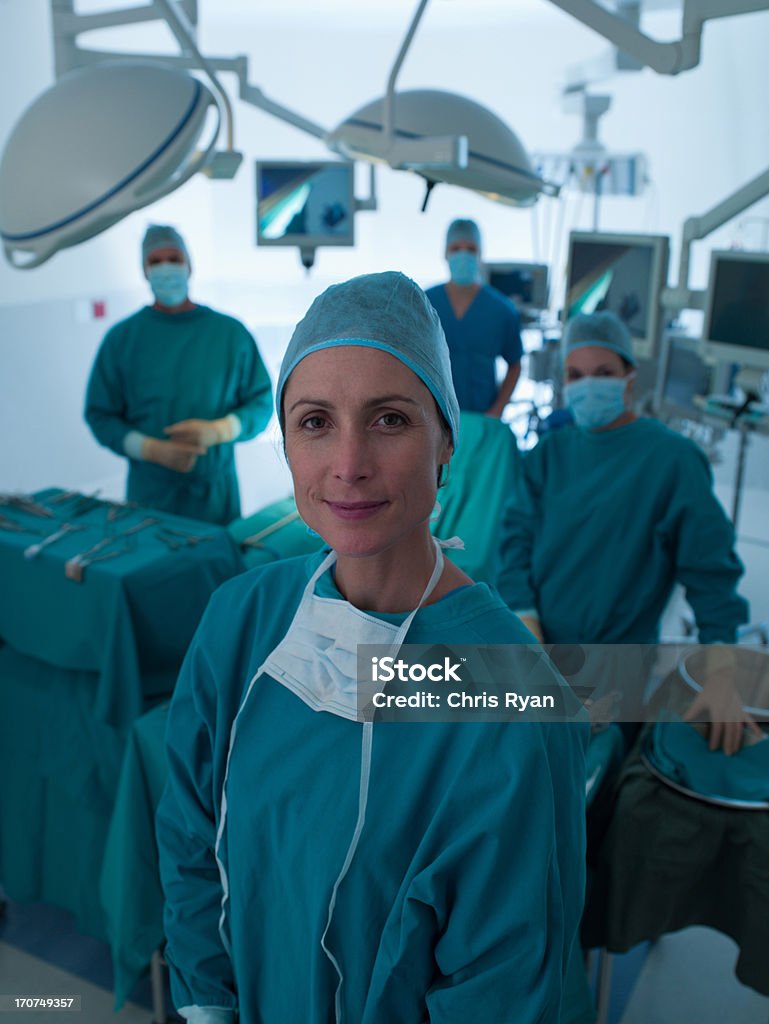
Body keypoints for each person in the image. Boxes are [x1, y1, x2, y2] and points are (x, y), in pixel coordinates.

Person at [156, 272, 588, 1024]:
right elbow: (192, 838)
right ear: (285, 442)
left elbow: (503, 982)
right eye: (315, 421)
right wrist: (205, 1007)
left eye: (389, 419)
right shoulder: (241, 620)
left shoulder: (513, 703)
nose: (348, 463)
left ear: (447, 436)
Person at [497, 310, 756, 754]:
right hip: (534, 648)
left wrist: (722, 675)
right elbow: (514, 546)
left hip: (613, 667)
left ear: (630, 378)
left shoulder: (672, 461)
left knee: (590, 791)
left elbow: (711, 575)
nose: (587, 385)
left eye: (603, 373)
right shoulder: (549, 454)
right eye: (575, 375)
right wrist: (529, 638)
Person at [84, 225, 272, 525]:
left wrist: (220, 430)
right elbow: (100, 415)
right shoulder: (122, 339)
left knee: (219, 568)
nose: (166, 268)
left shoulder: (230, 334)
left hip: (215, 495)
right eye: (155, 262)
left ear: (189, 265)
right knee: (152, 566)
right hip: (150, 495)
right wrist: (149, 449)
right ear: (144, 270)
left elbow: (262, 402)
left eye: (173, 258)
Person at [426, 219, 523, 417]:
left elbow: (515, 364)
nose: (463, 255)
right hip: (433, 417)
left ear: (480, 255)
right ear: (445, 253)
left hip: (481, 419)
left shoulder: (501, 309)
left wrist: (496, 411)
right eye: (456, 248)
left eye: (470, 249)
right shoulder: (424, 303)